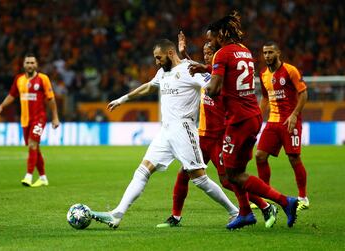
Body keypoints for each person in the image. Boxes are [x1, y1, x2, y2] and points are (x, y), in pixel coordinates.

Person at [91, 39, 239, 229]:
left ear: (170, 53)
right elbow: (149, 86)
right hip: (166, 131)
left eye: (158, 58)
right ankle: (117, 214)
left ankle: (234, 211)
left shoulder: (190, 70)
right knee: (143, 170)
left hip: (184, 130)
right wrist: (123, 99)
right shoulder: (163, 72)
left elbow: (214, 87)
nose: (156, 62)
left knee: (200, 179)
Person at [156, 29, 278, 229]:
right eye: (204, 54)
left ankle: (265, 206)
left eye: (209, 53)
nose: (206, 57)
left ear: (218, 54)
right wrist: (184, 54)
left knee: (229, 181)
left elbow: (208, 75)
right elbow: (198, 69)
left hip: (219, 137)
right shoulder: (210, 73)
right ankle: (175, 217)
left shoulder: (222, 78)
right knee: (183, 173)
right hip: (203, 136)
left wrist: (190, 60)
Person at [205, 11, 299, 230]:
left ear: (220, 35)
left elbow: (215, 88)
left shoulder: (221, 54)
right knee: (237, 169)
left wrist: (206, 86)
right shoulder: (245, 51)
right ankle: (246, 213)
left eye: (211, 39)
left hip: (238, 120)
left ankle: (285, 202)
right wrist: (207, 68)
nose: (210, 43)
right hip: (253, 115)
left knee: (231, 175)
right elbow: (234, 75)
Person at [256, 41, 309, 211]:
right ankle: (265, 196)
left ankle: (303, 197)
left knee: (294, 158)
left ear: (278, 53)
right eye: (265, 53)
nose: (267, 56)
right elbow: (265, 98)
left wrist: (294, 115)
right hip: (272, 121)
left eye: (270, 52)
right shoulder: (263, 73)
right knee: (260, 156)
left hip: (289, 122)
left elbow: (303, 93)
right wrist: (257, 116)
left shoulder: (290, 70)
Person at [0, 53, 60, 187]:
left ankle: (28, 176)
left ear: (36, 64)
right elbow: (12, 95)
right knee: (35, 147)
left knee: (32, 144)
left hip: (39, 118)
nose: (30, 65)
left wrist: (55, 117)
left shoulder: (43, 79)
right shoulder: (19, 79)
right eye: (27, 63)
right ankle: (43, 178)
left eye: (32, 62)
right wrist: (1, 106)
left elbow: (51, 99)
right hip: (25, 120)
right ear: (23, 65)